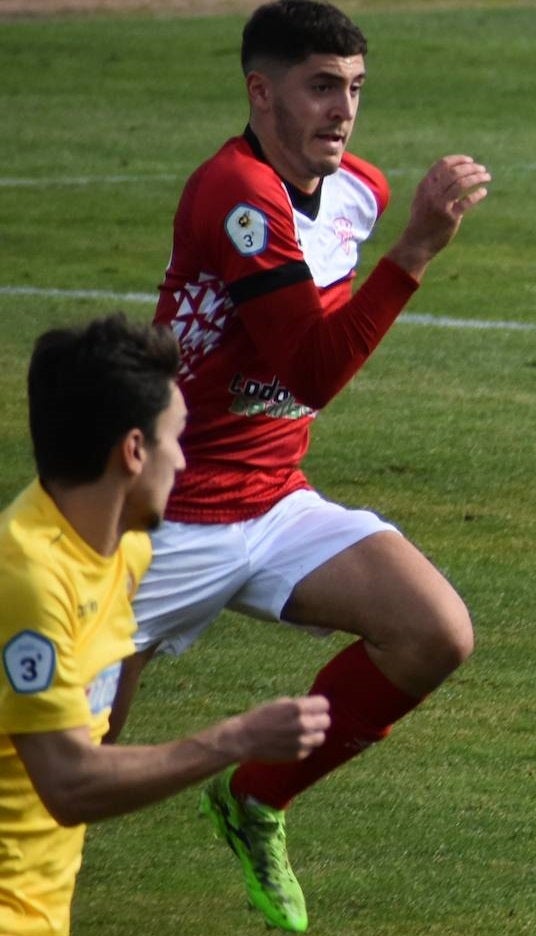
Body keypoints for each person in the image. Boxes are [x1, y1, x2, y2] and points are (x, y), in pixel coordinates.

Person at [104, 1, 492, 931]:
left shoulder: (359, 190)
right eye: (321, 86)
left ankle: (254, 799)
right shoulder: (234, 193)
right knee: (69, 769)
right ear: (261, 92)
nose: (342, 108)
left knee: (435, 632)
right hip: (161, 515)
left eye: (354, 87)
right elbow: (310, 372)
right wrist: (415, 252)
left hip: (273, 502)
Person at [0, 314, 331, 936]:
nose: (183, 459)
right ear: (132, 450)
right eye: (176, 437)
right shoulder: (31, 581)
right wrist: (236, 739)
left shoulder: (124, 549)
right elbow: (68, 785)